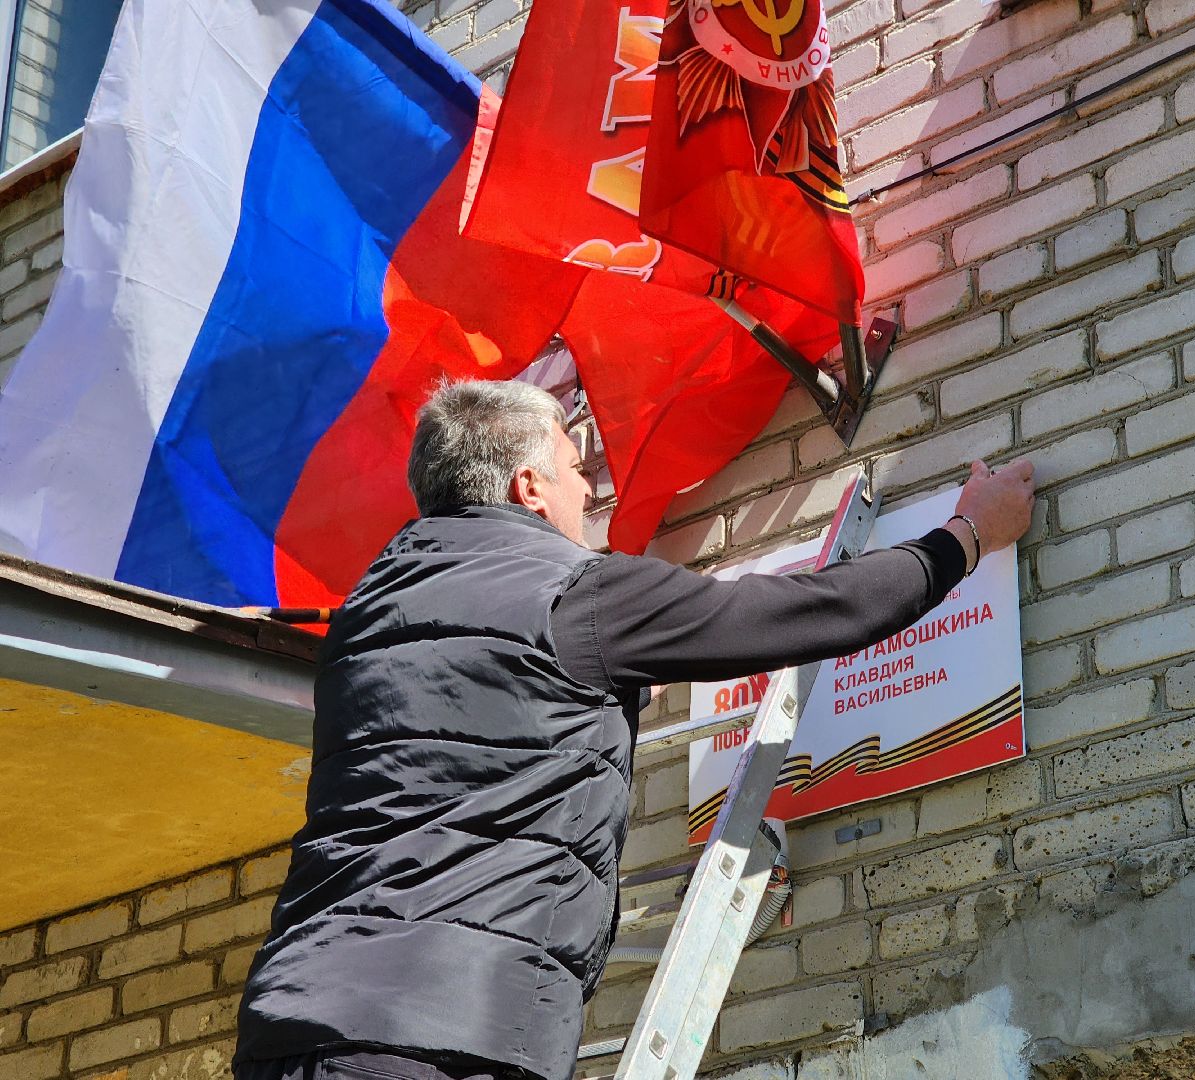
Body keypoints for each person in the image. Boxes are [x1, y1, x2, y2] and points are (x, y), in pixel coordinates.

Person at [233, 379, 1035, 1080]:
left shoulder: (364, 624)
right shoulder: (575, 594)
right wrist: (964, 538)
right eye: (576, 468)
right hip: (445, 1032)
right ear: (528, 487)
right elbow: (810, 610)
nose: (591, 494)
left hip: (290, 1018)